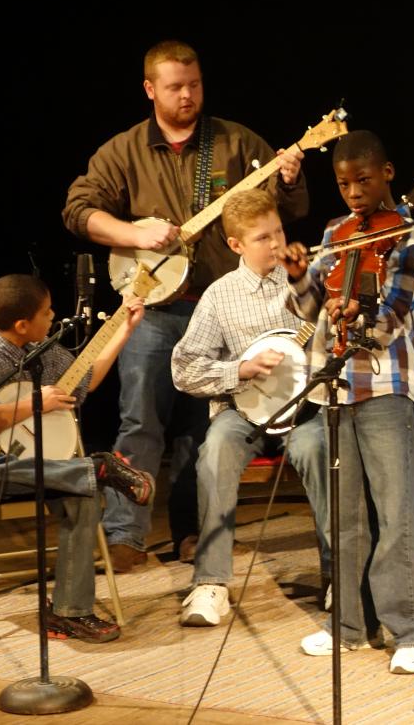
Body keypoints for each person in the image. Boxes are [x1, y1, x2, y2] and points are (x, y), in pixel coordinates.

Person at [63, 39, 310, 571]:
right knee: (140, 420)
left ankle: (194, 535)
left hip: (220, 312)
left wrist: (288, 177)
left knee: (204, 429)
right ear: (151, 88)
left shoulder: (236, 143)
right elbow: (78, 211)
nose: (188, 95)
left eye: (195, 84)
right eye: (175, 86)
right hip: (149, 310)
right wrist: (132, 231)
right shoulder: (123, 151)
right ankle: (125, 534)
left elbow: (284, 210)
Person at [283, 130, 414, 674]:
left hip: (384, 386)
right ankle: (348, 623)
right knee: (345, 514)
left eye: (364, 180)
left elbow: (391, 320)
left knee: (397, 514)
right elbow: (309, 310)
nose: (354, 193)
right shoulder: (335, 232)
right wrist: (302, 274)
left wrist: (360, 315)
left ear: (388, 173)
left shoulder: (413, 239)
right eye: (344, 183)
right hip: (334, 388)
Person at [0, 274, 155, 642]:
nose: (53, 317)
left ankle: (69, 613)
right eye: (46, 313)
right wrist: (36, 403)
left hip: (49, 469)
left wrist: (124, 330)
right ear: (22, 324)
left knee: (85, 497)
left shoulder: (43, 349)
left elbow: (86, 378)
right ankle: (94, 468)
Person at [169, 190, 328, 627]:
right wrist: (240, 370)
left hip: (306, 407)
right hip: (243, 411)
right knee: (215, 450)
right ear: (236, 244)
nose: (276, 245)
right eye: (262, 238)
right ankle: (211, 585)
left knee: (320, 450)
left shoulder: (305, 277)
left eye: (278, 232)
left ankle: (337, 576)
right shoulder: (220, 296)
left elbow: (336, 335)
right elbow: (183, 369)